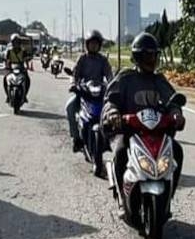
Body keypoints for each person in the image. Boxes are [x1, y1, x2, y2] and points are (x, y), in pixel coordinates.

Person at [102, 33, 186, 211]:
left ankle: (168, 196)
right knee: (121, 152)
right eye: (147, 55)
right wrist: (114, 113)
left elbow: (172, 101)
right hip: (129, 132)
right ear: (138, 57)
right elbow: (111, 100)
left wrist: (176, 113)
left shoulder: (159, 80)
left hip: (156, 133)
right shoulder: (125, 78)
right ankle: (123, 200)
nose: (152, 59)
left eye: (154, 55)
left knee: (177, 150)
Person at [66, 29, 113, 152]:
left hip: (99, 92)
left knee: (111, 110)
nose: (93, 45)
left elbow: (109, 75)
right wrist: (73, 84)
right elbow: (75, 74)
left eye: (96, 44)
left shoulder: (103, 60)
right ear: (87, 44)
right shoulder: (82, 58)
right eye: (91, 43)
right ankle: (76, 138)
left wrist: (112, 85)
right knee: (70, 107)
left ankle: (107, 139)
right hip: (84, 92)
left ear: (99, 45)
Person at [4, 34, 30, 103]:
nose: (16, 44)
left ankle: (24, 96)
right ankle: (7, 96)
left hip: (21, 67)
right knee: (5, 79)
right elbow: (7, 60)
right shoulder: (9, 51)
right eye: (14, 42)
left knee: (27, 79)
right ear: (12, 42)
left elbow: (26, 59)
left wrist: (27, 66)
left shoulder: (23, 51)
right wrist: (7, 66)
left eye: (17, 42)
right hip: (11, 68)